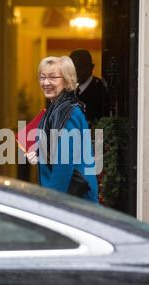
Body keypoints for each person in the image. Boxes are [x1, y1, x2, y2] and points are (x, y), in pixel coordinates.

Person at [25, 56, 99, 203]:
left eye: (52, 77)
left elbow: (64, 163)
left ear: (66, 80)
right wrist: (39, 154)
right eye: (42, 77)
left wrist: (51, 201)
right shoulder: (58, 108)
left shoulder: (67, 112)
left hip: (72, 202)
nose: (46, 82)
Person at [69, 49, 108, 126]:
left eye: (80, 67)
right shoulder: (65, 90)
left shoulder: (101, 91)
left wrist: (97, 138)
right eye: (72, 68)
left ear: (91, 67)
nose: (76, 72)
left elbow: (102, 126)